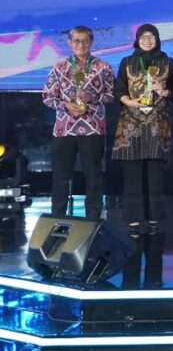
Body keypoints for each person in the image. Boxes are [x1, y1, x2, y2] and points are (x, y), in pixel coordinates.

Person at [42, 25, 115, 220]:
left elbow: (111, 95)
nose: (81, 44)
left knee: (93, 176)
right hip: (64, 129)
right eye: (76, 41)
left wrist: (91, 97)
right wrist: (65, 106)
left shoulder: (103, 67)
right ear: (69, 43)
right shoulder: (59, 67)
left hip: (93, 128)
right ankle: (57, 218)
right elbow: (47, 97)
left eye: (85, 41)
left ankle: (93, 219)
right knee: (61, 176)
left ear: (91, 42)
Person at [112, 24, 173, 231]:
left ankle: (153, 218)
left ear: (157, 39)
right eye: (143, 37)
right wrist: (129, 102)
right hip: (131, 123)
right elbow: (119, 89)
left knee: (155, 174)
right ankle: (133, 217)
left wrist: (164, 91)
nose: (147, 40)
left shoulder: (167, 62)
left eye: (151, 37)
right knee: (132, 174)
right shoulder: (127, 62)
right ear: (137, 40)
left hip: (157, 123)